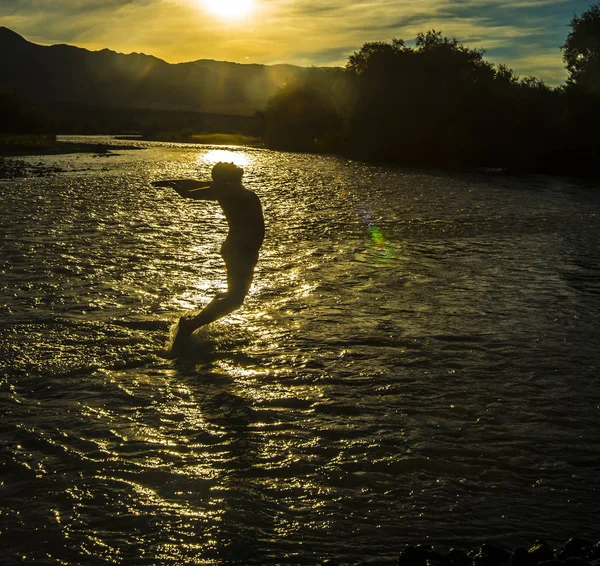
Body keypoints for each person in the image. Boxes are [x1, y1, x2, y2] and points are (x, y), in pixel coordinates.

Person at [153, 162, 265, 341]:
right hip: (240, 250)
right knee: (235, 299)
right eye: (227, 164)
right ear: (225, 177)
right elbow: (195, 192)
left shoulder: (231, 187)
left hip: (243, 249)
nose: (232, 162)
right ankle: (189, 327)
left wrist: (171, 181)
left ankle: (195, 322)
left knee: (231, 296)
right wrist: (182, 191)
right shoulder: (229, 190)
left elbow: (193, 183)